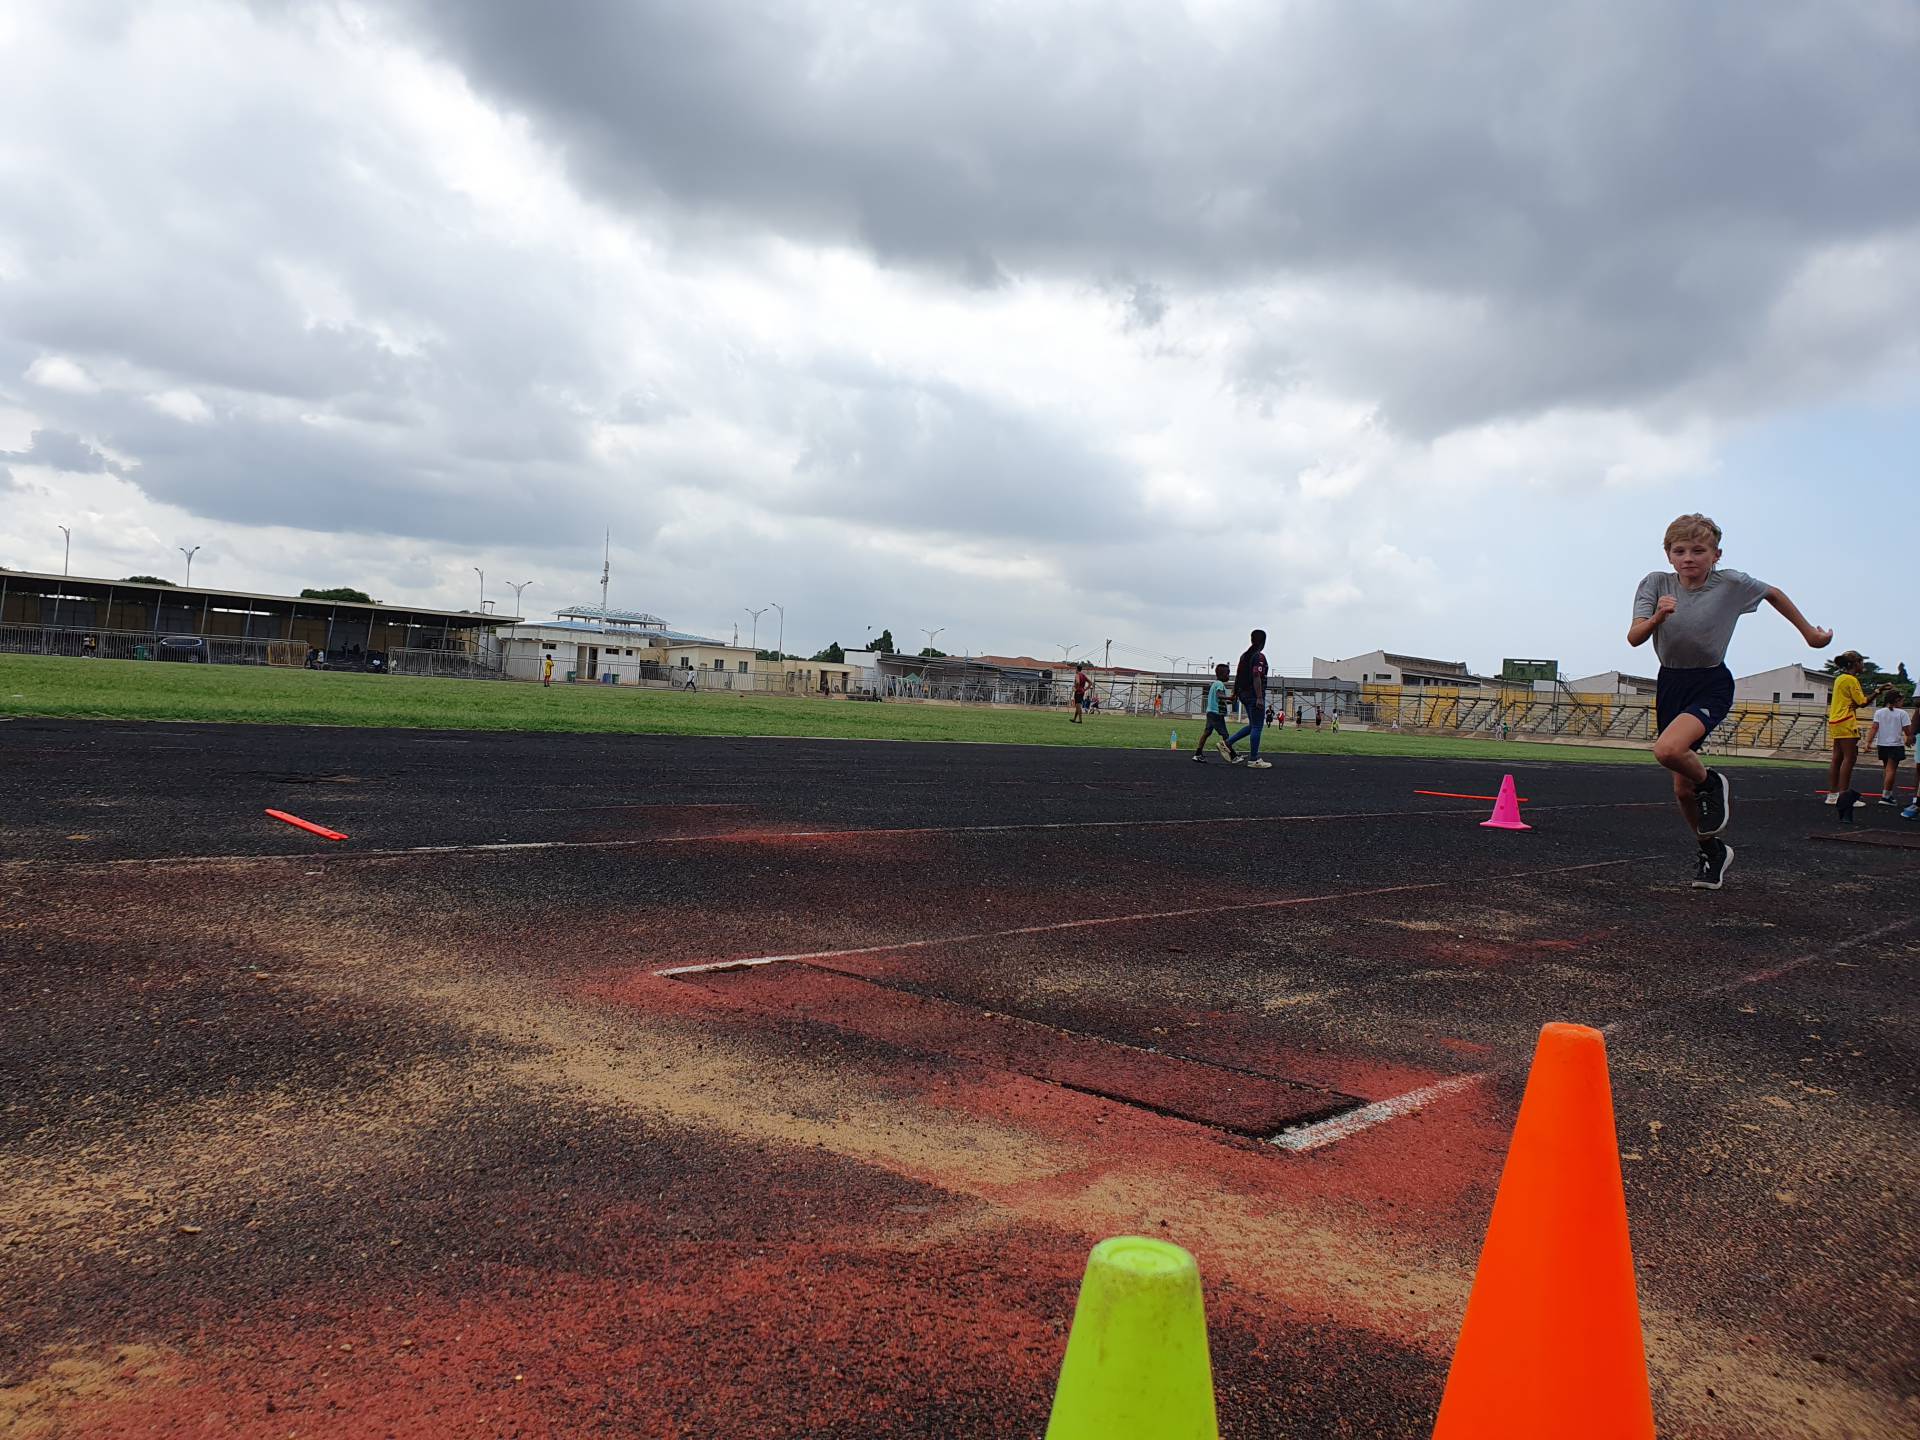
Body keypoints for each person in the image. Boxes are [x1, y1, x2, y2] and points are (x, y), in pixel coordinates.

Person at [1630, 512, 1831, 889]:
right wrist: (1658, 616)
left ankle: (1712, 782)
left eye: (1698, 550)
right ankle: (1711, 850)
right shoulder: (1656, 583)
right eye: (1680, 551)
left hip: (1711, 681)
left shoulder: (1732, 583)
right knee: (1681, 789)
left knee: (1667, 750)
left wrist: (1809, 634)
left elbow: (1773, 593)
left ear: (1716, 555)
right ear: (1668, 554)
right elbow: (1634, 637)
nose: (1689, 558)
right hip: (1671, 682)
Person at [1825, 652, 1870, 804]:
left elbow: (1851, 701)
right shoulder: (1851, 679)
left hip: (1835, 720)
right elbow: (1862, 702)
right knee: (1849, 758)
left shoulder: (1839, 678)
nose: (1862, 665)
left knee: (1837, 758)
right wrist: (1879, 691)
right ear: (1856, 663)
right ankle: (1844, 796)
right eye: (1861, 662)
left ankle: (1832, 795)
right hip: (1846, 721)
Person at [1225, 629, 1272, 769]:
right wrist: (1259, 697)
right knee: (1257, 727)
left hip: (1243, 694)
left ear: (1251, 640)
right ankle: (1253, 759)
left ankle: (1227, 743)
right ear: (1263, 642)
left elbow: (1238, 675)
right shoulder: (1259, 656)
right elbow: (1257, 676)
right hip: (1254, 694)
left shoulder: (1244, 656)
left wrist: (1235, 693)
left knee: (1252, 725)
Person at [1866, 685, 1909, 806]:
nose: (1903, 703)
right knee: (1891, 770)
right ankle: (1886, 796)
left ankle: (1887, 793)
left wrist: (1868, 742)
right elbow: (1907, 729)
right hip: (1895, 744)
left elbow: (1874, 728)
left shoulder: (1879, 712)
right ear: (1897, 700)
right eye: (1902, 701)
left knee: (1887, 769)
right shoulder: (1902, 713)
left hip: (1882, 744)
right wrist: (1909, 738)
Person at [1193, 663, 1241, 764]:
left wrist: (1230, 701)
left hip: (1211, 712)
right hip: (1216, 714)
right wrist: (1230, 698)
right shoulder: (1219, 684)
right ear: (1222, 674)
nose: (1228, 676)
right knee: (1225, 735)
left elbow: (1219, 700)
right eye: (1227, 674)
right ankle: (1233, 756)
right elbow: (1220, 696)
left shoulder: (1214, 684)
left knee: (1207, 733)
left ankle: (1197, 754)